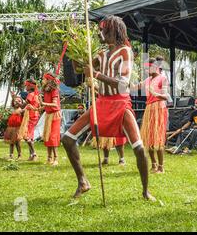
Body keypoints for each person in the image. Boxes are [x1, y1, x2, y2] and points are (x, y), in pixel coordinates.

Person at [61, 15, 155, 200]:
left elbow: (122, 84)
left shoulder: (126, 52)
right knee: (67, 138)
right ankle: (83, 181)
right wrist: (74, 48)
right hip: (102, 103)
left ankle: (145, 191)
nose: (100, 32)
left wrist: (95, 74)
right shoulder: (102, 53)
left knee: (139, 149)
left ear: (114, 30)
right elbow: (81, 69)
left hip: (120, 103)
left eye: (104, 29)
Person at [140, 57, 169, 173]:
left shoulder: (163, 78)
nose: (148, 69)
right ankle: (153, 164)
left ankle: (161, 167)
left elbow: (166, 96)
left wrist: (155, 93)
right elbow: (133, 86)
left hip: (159, 108)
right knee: (148, 138)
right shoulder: (147, 80)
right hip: (149, 109)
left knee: (158, 138)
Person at [40, 73, 62, 166]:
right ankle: (49, 158)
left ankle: (56, 159)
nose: (42, 80)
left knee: (53, 137)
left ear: (48, 80)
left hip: (55, 115)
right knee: (47, 136)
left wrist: (43, 103)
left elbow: (55, 105)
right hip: (48, 115)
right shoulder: (46, 91)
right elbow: (46, 105)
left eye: (44, 79)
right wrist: (38, 108)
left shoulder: (54, 91)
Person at [18, 80, 40, 161]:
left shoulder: (30, 95)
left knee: (26, 135)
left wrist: (16, 99)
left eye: (27, 85)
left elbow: (23, 105)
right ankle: (31, 155)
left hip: (30, 116)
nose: (25, 87)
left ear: (31, 86)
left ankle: (34, 154)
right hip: (35, 115)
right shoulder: (36, 94)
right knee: (29, 136)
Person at [4, 96, 24, 160]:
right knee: (11, 142)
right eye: (15, 101)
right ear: (12, 102)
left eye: (19, 101)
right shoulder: (12, 110)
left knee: (17, 142)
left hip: (17, 128)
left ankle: (19, 155)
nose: (17, 102)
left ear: (22, 103)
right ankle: (11, 155)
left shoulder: (21, 110)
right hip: (11, 128)